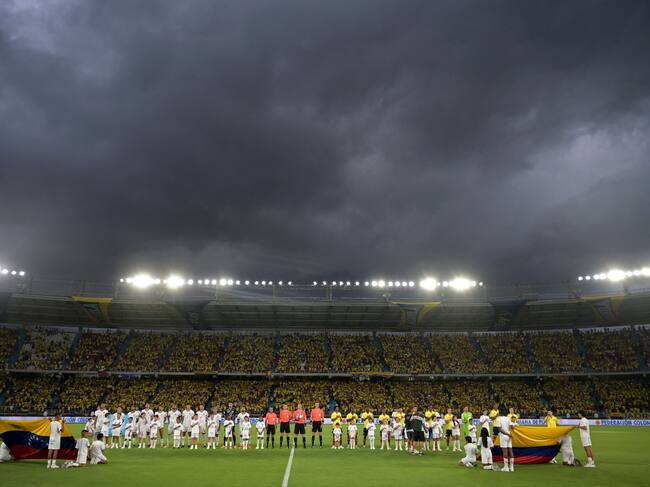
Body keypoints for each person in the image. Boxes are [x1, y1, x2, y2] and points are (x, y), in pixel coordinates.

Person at [495, 407, 515, 472]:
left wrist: (507, 433)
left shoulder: (499, 419)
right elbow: (512, 426)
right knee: (510, 451)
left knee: (505, 452)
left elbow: (500, 429)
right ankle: (511, 467)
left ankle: (506, 467)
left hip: (504, 436)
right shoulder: (508, 418)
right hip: (509, 436)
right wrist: (509, 433)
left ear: (499, 412)